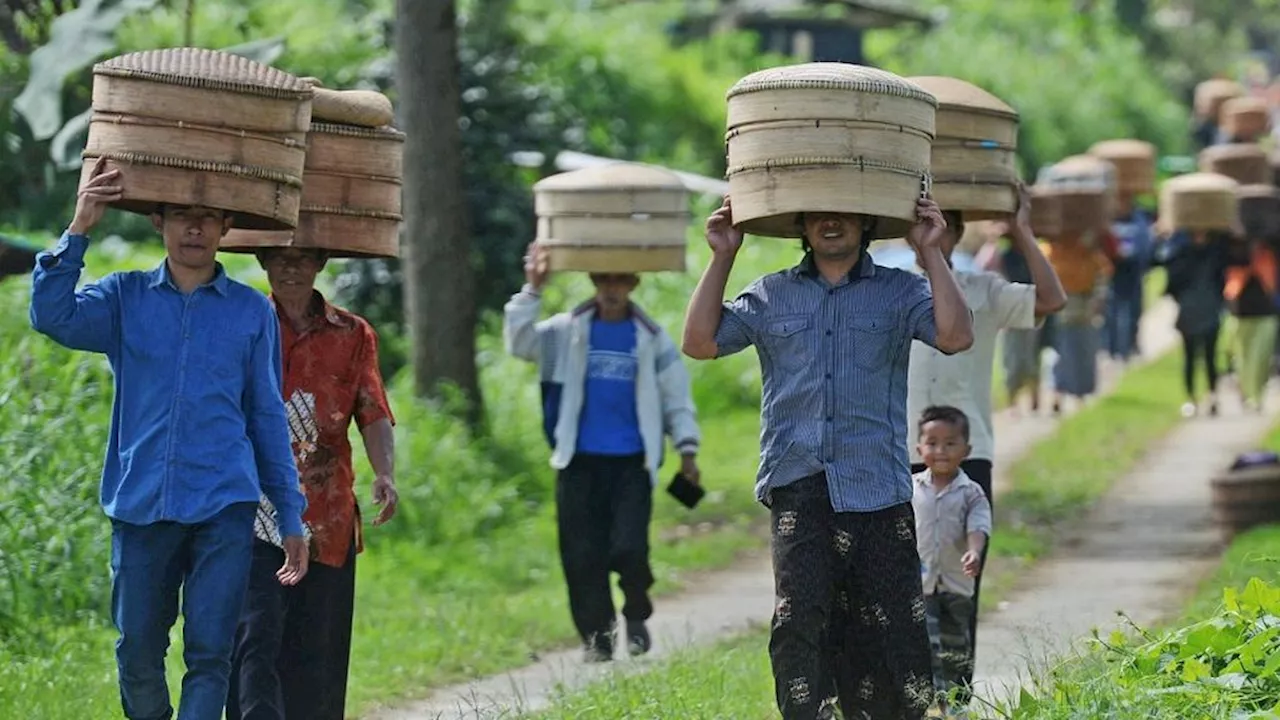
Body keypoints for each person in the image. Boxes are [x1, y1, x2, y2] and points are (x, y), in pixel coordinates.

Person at [28, 158, 308, 720]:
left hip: (225, 504)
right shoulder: (123, 298)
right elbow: (51, 315)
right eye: (183, 215)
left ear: (226, 226)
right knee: (137, 651)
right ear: (159, 221)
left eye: (208, 217)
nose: (196, 229)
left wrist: (290, 514)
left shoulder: (252, 311)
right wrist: (81, 225)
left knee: (210, 654)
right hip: (141, 501)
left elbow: (266, 417)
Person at [682, 195, 974, 720]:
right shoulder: (771, 294)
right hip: (800, 484)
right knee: (800, 623)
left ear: (866, 221)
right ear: (800, 223)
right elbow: (700, 342)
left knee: (890, 628)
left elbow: (955, 335)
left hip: (878, 488)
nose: (830, 221)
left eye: (843, 209)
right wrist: (722, 255)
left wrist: (931, 253)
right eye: (816, 211)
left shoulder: (900, 290)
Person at [504, 246, 702, 662]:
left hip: (632, 463)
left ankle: (635, 612)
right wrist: (533, 288)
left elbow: (676, 397)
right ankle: (598, 639)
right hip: (578, 462)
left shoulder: (650, 337)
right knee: (581, 555)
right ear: (594, 282)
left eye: (620, 280)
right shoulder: (566, 332)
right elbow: (520, 343)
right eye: (604, 279)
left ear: (633, 283)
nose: (612, 288)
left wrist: (687, 449)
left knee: (629, 548)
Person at [227, 246, 398, 719]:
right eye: (280, 257)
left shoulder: (353, 333)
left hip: (327, 516)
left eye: (303, 257)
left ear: (321, 263)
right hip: (252, 509)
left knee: (315, 649)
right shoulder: (242, 321)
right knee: (254, 641)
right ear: (263, 261)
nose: (291, 267)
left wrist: (385, 473)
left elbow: (373, 409)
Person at [906, 184, 1065, 686]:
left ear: (955, 231)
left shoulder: (986, 290)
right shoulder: (888, 290)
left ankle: (955, 691)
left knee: (960, 582)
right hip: (904, 456)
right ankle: (911, 690)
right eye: (919, 226)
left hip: (969, 458)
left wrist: (1019, 229)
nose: (931, 235)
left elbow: (1052, 299)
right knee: (904, 584)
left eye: (941, 226)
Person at [912, 405, 992, 717]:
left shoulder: (971, 493)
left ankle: (957, 705)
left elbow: (979, 526)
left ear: (967, 450)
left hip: (957, 585)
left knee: (956, 647)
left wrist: (974, 551)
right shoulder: (910, 489)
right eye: (932, 443)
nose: (940, 451)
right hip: (921, 585)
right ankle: (931, 705)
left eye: (950, 443)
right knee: (924, 646)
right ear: (919, 448)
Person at [1154, 230, 1234, 417]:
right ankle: (1191, 398)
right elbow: (1165, 269)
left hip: (1209, 310)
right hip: (1190, 311)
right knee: (1190, 357)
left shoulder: (1217, 251)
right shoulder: (1182, 252)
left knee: (1210, 356)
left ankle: (1212, 397)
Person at [1045, 230, 1113, 414]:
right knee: (1063, 352)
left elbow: (1103, 274)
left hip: (1085, 307)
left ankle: (1079, 396)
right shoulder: (1052, 253)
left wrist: (1098, 298)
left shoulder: (1089, 256)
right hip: (1062, 310)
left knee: (1083, 352)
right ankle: (1058, 393)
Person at [1224, 238, 1279, 412]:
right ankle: (1246, 393)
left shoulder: (1271, 252)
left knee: (1261, 358)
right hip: (1240, 313)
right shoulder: (1233, 251)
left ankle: (1256, 396)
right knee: (1242, 358)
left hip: (1266, 313)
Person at [1103, 193, 1155, 363]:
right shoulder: (1108, 220)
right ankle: (1112, 349)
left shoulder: (1139, 220)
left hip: (1133, 271)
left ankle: (1131, 345)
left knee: (1134, 309)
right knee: (1112, 311)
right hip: (1113, 271)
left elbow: (1146, 245)